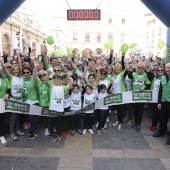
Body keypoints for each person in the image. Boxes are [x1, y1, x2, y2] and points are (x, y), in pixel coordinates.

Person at [128, 62, 151, 132]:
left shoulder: (145, 75)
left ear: (144, 69)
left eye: (142, 68)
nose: (140, 69)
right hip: (134, 95)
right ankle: (135, 122)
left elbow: (148, 84)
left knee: (140, 110)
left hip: (141, 96)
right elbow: (129, 76)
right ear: (137, 68)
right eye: (139, 67)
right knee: (135, 109)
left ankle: (138, 124)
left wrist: (144, 86)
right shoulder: (134, 74)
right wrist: (130, 71)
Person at [153, 63, 170, 145]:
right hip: (163, 102)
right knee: (162, 118)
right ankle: (161, 132)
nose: (168, 69)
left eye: (169, 68)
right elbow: (160, 91)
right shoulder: (162, 77)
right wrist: (159, 102)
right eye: (166, 68)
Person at [33, 61, 50, 136]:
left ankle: (51, 127)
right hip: (42, 103)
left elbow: (48, 83)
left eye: (44, 74)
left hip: (50, 103)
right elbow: (34, 77)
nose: (43, 76)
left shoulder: (50, 82)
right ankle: (46, 129)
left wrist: (48, 75)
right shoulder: (39, 83)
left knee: (51, 117)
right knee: (44, 118)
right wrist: (35, 67)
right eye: (41, 75)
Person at [22, 66, 39, 139]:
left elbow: (35, 76)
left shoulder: (33, 79)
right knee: (30, 117)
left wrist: (35, 67)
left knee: (31, 117)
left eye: (27, 72)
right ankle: (33, 128)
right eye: (24, 72)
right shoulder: (21, 79)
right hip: (25, 101)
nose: (26, 74)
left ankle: (33, 131)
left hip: (34, 101)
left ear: (30, 73)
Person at [149, 65, 164, 131]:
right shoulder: (154, 78)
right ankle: (154, 125)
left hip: (162, 98)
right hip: (154, 98)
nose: (160, 71)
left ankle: (163, 127)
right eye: (158, 70)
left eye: (161, 70)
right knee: (154, 114)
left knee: (162, 115)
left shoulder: (165, 78)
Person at [0, 66, 10, 144]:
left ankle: (1, 135)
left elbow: (8, 89)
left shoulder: (5, 79)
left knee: (2, 119)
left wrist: (7, 94)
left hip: (2, 101)